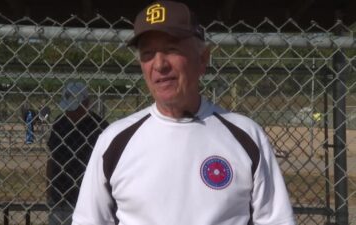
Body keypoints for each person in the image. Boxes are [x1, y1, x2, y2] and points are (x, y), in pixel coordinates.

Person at [72, 1, 296, 225]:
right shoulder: (114, 140)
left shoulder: (246, 135)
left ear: (203, 59)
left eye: (172, 49)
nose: (159, 65)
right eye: (148, 53)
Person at [47, 81, 108, 225]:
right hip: (59, 197)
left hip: (88, 199)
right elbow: (51, 158)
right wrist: (49, 190)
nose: (69, 112)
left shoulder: (100, 128)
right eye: (68, 108)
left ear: (86, 103)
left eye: (74, 109)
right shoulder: (60, 123)